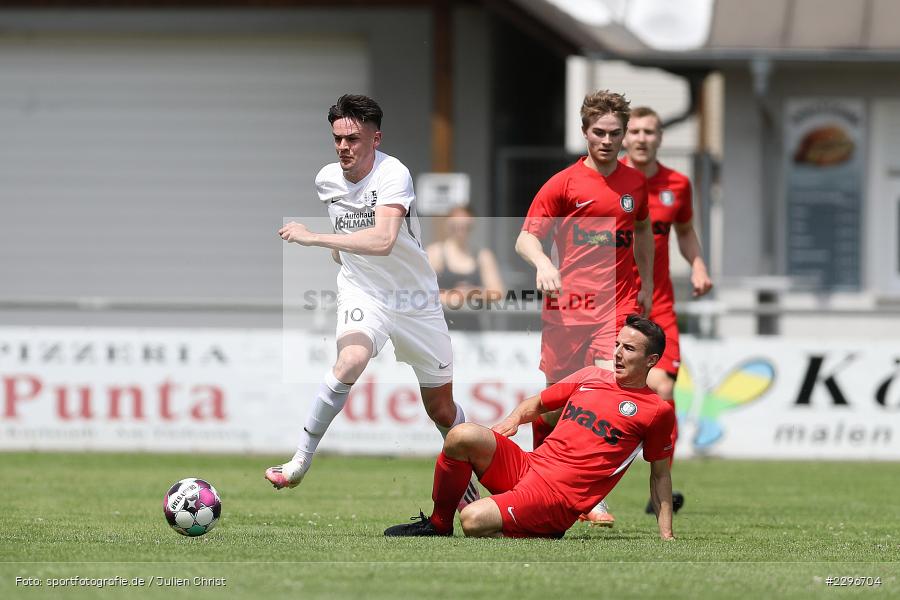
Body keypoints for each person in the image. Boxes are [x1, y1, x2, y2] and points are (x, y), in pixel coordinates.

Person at [267, 94, 478, 510]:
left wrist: (314, 238)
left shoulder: (393, 174)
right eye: (338, 139)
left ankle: (469, 477)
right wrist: (337, 251)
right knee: (349, 362)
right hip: (363, 292)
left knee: (440, 409)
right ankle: (300, 461)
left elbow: (382, 240)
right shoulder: (327, 179)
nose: (344, 147)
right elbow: (349, 233)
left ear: (375, 138)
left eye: (354, 139)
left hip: (415, 299)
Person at [383, 315, 675, 540]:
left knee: (472, 520)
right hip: (529, 467)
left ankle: (544, 528)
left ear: (651, 360)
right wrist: (510, 422)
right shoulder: (590, 375)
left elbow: (660, 475)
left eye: (629, 348)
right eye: (617, 345)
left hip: (555, 499)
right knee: (462, 435)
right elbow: (537, 404)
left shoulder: (656, 411)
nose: (618, 354)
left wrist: (666, 535)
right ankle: (438, 525)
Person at [514, 90, 654, 526]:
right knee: (555, 405)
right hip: (568, 308)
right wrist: (542, 263)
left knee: (601, 394)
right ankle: (540, 481)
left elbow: (645, 232)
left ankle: (589, 495)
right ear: (584, 132)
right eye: (599, 132)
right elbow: (525, 238)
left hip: (617, 305)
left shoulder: (635, 184)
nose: (608, 140)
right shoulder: (564, 184)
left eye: (616, 133)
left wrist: (647, 283)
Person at [623, 106, 713, 514]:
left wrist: (697, 264)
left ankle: (658, 489)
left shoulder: (676, 184)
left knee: (662, 389)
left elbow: (686, 232)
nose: (642, 137)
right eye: (635, 131)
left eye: (650, 131)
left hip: (658, 306)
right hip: (611, 304)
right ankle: (582, 490)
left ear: (661, 137)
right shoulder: (608, 182)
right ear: (625, 137)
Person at [426, 205, 505, 329]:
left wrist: (471, 293)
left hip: (473, 330)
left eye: (465, 225)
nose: (460, 229)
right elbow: (421, 292)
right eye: (456, 224)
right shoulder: (435, 253)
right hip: (440, 328)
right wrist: (450, 296)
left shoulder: (483, 255)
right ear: (447, 224)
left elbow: (498, 292)